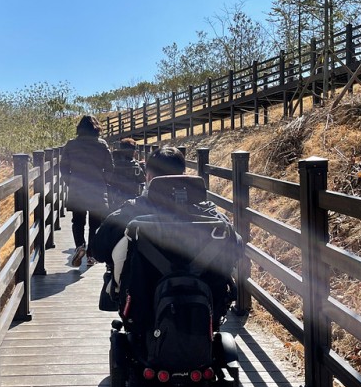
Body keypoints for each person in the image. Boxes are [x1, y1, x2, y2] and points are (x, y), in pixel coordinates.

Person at [93, 146, 241, 321]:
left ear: (148, 176)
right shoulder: (211, 215)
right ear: (183, 175)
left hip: (144, 311)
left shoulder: (132, 210)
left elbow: (98, 250)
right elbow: (237, 249)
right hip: (204, 311)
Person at [60, 115, 114, 267]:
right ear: (96, 128)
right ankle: (91, 255)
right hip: (97, 188)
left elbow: (63, 167)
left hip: (77, 188)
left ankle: (80, 246)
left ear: (80, 128)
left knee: (77, 221)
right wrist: (104, 181)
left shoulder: (71, 144)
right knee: (95, 224)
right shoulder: (102, 145)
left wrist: (70, 182)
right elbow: (110, 167)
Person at [106, 138, 146, 212]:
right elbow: (142, 181)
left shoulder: (113, 163)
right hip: (131, 198)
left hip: (115, 198)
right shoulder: (135, 165)